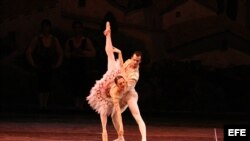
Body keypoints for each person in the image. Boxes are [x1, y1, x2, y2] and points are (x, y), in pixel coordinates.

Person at [87, 21, 126, 141]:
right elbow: (110, 53)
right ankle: (104, 131)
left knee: (115, 114)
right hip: (109, 84)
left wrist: (119, 53)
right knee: (104, 110)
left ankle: (120, 136)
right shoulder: (115, 68)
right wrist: (108, 35)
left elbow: (122, 64)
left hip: (117, 91)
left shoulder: (123, 73)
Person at [26, 19, 63, 110]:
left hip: (49, 64)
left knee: (47, 84)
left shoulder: (54, 39)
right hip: (40, 64)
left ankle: (45, 104)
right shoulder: (38, 39)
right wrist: (32, 63)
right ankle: (41, 104)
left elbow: (60, 52)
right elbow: (29, 51)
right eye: (44, 26)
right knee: (40, 84)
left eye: (47, 26)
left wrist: (57, 64)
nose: (46, 28)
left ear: (50, 28)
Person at [112, 50, 147, 141]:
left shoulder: (134, 76)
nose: (135, 62)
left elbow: (124, 88)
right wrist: (119, 53)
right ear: (131, 58)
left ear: (140, 61)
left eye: (137, 61)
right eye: (134, 59)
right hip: (122, 93)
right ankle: (120, 138)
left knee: (137, 115)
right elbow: (121, 67)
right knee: (114, 115)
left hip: (130, 94)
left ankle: (144, 139)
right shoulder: (128, 61)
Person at [64, 20, 96, 109]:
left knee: (82, 85)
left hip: (83, 65)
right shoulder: (70, 41)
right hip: (73, 65)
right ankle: (75, 104)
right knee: (74, 84)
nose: (77, 30)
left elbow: (93, 52)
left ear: (82, 29)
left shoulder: (85, 40)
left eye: (79, 27)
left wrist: (83, 52)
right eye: (76, 28)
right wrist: (72, 54)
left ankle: (81, 105)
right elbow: (66, 53)